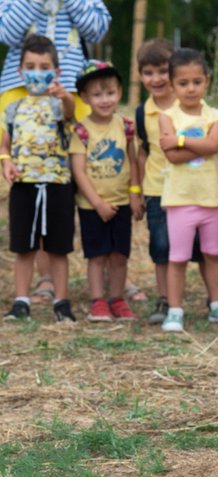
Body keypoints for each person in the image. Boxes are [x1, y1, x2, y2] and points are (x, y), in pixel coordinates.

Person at [0, 0, 111, 303]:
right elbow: (6, 32)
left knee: (82, 178)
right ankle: (43, 279)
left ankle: (105, 271)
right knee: (31, 191)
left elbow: (97, 30)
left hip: (72, 91)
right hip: (19, 87)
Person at [158, 47, 218, 333]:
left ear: (206, 80)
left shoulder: (216, 115)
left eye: (196, 82)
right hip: (179, 199)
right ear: (172, 85)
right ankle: (175, 310)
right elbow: (173, 157)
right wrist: (199, 143)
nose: (190, 88)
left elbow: (214, 145)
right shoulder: (166, 116)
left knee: (213, 253)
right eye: (183, 83)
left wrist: (179, 140)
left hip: (211, 198)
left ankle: (217, 304)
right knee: (177, 257)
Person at [0, 34, 76, 322]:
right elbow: (6, 144)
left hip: (57, 185)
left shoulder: (60, 104)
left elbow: (70, 115)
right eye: (30, 66)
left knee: (57, 247)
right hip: (24, 186)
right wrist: (5, 162)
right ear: (20, 71)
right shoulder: (13, 108)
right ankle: (21, 300)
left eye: (44, 66)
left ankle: (62, 301)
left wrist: (66, 96)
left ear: (55, 72)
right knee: (24, 246)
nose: (37, 72)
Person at [135, 37, 206, 323]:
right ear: (140, 75)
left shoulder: (188, 104)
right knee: (161, 247)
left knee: (200, 248)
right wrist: (136, 191)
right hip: (157, 190)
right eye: (148, 72)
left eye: (163, 70)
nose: (156, 78)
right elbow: (144, 152)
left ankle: (214, 300)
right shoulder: (143, 112)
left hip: (191, 189)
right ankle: (165, 299)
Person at [70, 59, 142, 322]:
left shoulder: (124, 126)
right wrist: (97, 203)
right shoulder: (81, 131)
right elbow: (78, 171)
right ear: (85, 97)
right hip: (92, 206)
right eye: (97, 94)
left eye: (110, 93)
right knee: (97, 255)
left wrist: (135, 193)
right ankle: (98, 301)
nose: (104, 99)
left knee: (119, 255)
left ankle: (118, 298)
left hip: (122, 201)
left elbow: (132, 161)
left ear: (120, 93)